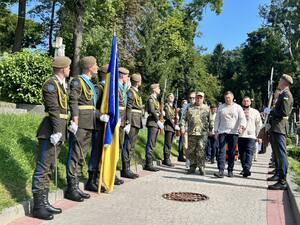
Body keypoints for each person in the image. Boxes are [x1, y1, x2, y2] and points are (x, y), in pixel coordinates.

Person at [31, 56, 71, 220]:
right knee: (43, 168)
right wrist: (56, 130)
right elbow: (54, 109)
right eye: (68, 67)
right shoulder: (51, 84)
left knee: (50, 167)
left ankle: (44, 202)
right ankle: (38, 206)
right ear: (63, 69)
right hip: (50, 131)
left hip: (58, 129)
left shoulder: (61, 85)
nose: (69, 70)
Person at [66, 56, 98, 202]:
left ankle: (76, 186)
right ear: (89, 67)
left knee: (82, 155)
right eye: (95, 65)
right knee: (75, 154)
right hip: (80, 123)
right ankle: (71, 188)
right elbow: (73, 101)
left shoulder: (89, 83)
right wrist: (75, 119)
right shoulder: (77, 81)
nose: (97, 67)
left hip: (89, 122)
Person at [265, 74, 294, 190]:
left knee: (281, 153)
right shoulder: (283, 94)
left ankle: (282, 180)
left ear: (284, 82)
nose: (278, 81)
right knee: (277, 153)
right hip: (276, 127)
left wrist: (271, 112)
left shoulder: (286, 95)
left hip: (280, 127)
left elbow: (284, 112)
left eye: (280, 80)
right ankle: (278, 174)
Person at [85, 64, 108, 192]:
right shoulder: (99, 88)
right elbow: (93, 108)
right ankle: (91, 180)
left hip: (106, 126)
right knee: (96, 152)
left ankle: (99, 177)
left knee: (102, 152)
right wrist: (101, 116)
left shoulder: (109, 88)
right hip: (98, 125)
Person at [214, 91, 247, 178]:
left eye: (228, 98)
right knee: (221, 151)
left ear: (232, 97)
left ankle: (230, 170)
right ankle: (221, 170)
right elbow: (217, 119)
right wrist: (216, 131)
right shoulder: (221, 107)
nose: (227, 99)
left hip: (233, 132)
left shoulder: (238, 107)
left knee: (232, 152)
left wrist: (241, 127)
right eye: (225, 98)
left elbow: (242, 118)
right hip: (222, 131)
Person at [180, 92, 212, 175]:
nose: (198, 99)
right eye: (197, 97)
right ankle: (192, 167)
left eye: (200, 98)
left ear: (203, 98)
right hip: (192, 132)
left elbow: (210, 120)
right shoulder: (190, 108)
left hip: (202, 133)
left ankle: (201, 167)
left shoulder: (207, 108)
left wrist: (211, 129)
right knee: (191, 150)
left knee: (201, 150)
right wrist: (182, 127)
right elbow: (183, 119)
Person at [121, 73, 143, 179]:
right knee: (128, 145)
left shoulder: (136, 92)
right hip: (133, 120)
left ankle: (128, 167)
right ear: (138, 82)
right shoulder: (130, 92)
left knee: (132, 146)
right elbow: (128, 107)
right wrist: (128, 122)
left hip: (137, 120)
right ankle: (125, 169)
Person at [238, 97, 262, 177]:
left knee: (249, 152)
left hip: (251, 135)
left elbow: (259, 124)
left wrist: (259, 136)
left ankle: (247, 168)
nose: (246, 102)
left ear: (250, 102)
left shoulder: (255, 112)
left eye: (247, 101)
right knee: (242, 153)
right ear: (242, 102)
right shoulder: (239, 111)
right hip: (240, 135)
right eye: (244, 101)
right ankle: (244, 168)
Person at [144, 83, 164, 171]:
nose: (159, 89)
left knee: (153, 144)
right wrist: (158, 121)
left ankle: (150, 162)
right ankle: (148, 163)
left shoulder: (155, 99)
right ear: (154, 89)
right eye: (158, 88)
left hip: (155, 123)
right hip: (152, 122)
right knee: (151, 143)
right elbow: (152, 111)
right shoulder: (151, 99)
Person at [162, 93, 180, 167]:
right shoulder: (166, 106)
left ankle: (167, 158)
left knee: (170, 144)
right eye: (170, 96)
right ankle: (166, 159)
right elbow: (168, 117)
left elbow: (174, 116)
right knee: (167, 143)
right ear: (167, 98)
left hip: (172, 127)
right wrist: (174, 125)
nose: (172, 98)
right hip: (169, 126)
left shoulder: (173, 107)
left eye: (173, 96)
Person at [180, 92, 196, 165]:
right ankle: (188, 159)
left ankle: (194, 161)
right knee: (185, 145)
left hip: (196, 130)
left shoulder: (199, 106)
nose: (192, 99)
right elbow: (182, 118)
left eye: (193, 98)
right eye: (190, 98)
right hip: (187, 128)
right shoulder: (186, 107)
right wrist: (182, 127)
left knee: (195, 147)